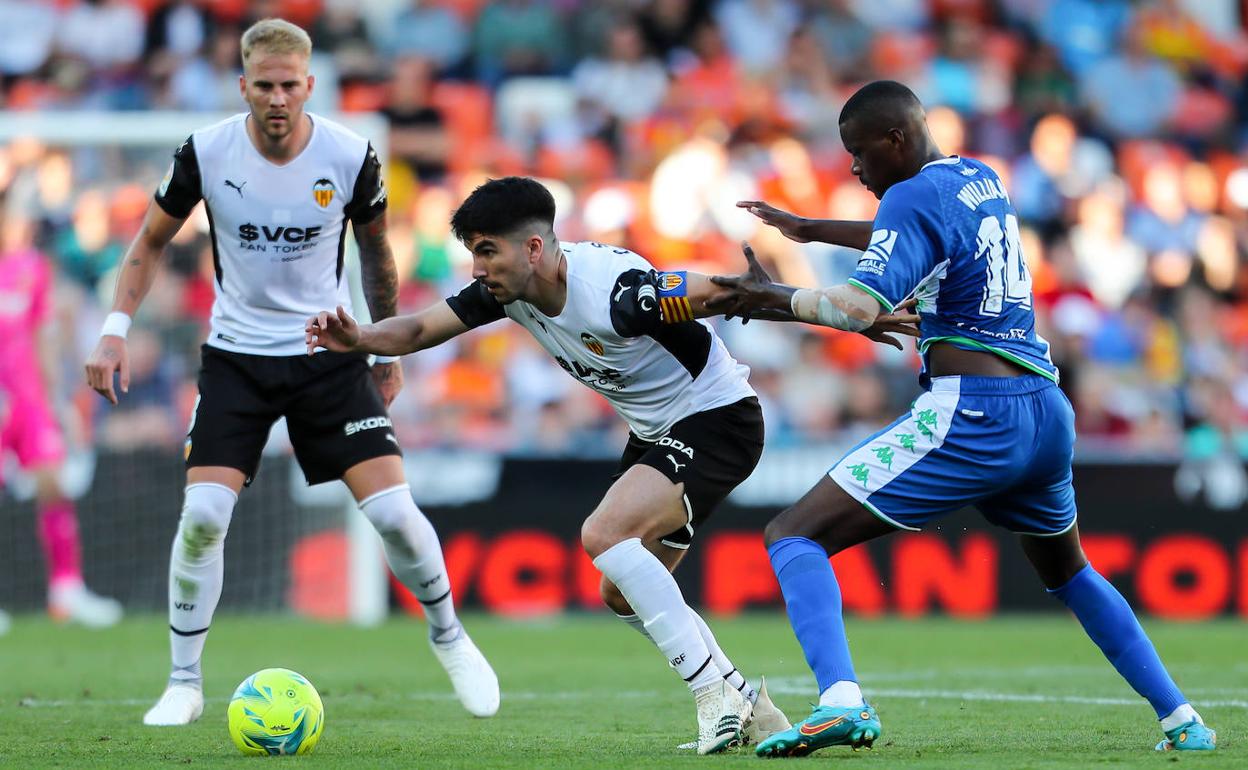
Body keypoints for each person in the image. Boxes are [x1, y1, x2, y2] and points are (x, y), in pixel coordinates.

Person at [305, 176, 918, 754]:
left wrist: (838, 312)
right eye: (473, 252)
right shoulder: (508, 293)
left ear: (535, 247)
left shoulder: (619, 293)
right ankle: (749, 707)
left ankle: (711, 695)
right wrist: (358, 338)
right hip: (658, 433)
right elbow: (415, 329)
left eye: (487, 251)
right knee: (621, 593)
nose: (478, 267)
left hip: (718, 420)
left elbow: (723, 291)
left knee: (602, 534)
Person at [714, 80, 1217, 756]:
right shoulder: (979, 177)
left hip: (976, 414)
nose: (856, 170)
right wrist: (811, 232)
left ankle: (841, 701)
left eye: (860, 154)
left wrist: (774, 296)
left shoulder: (907, 195)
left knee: (792, 534)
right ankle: (1182, 718)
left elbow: (860, 307)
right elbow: (924, 230)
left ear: (896, 140)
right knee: (1071, 572)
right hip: (1045, 410)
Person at [83, 18, 498, 727]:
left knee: (396, 515)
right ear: (243, 86)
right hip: (237, 360)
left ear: (309, 85)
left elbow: (377, 256)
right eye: (264, 86)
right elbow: (149, 242)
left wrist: (382, 347)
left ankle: (450, 636)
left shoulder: (348, 154)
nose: (277, 99)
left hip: (327, 355)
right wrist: (115, 330)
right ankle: (184, 681)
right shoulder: (205, 152)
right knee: (203, 518)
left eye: (289, 86)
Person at [0, 199, 123, 629]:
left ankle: (67, 589)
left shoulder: (31, 267)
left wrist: (56, 403)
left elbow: (41, 338)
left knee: (54, 483)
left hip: (28, 399)